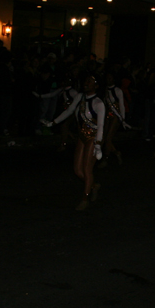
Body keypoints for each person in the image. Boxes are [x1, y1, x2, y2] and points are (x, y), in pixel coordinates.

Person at [42, 74, 105, 210]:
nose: (86, 83)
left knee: (87, 170)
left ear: (97, 86)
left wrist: (98, 145)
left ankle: (85, 198)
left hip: (94, 138)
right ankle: (93, 186)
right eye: (86, 80)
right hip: (82, 136)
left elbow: (100, 126)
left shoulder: (99, 103)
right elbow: (69, 111)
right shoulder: (80, 97)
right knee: (77, 170)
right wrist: (53, 123)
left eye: (90, 81)